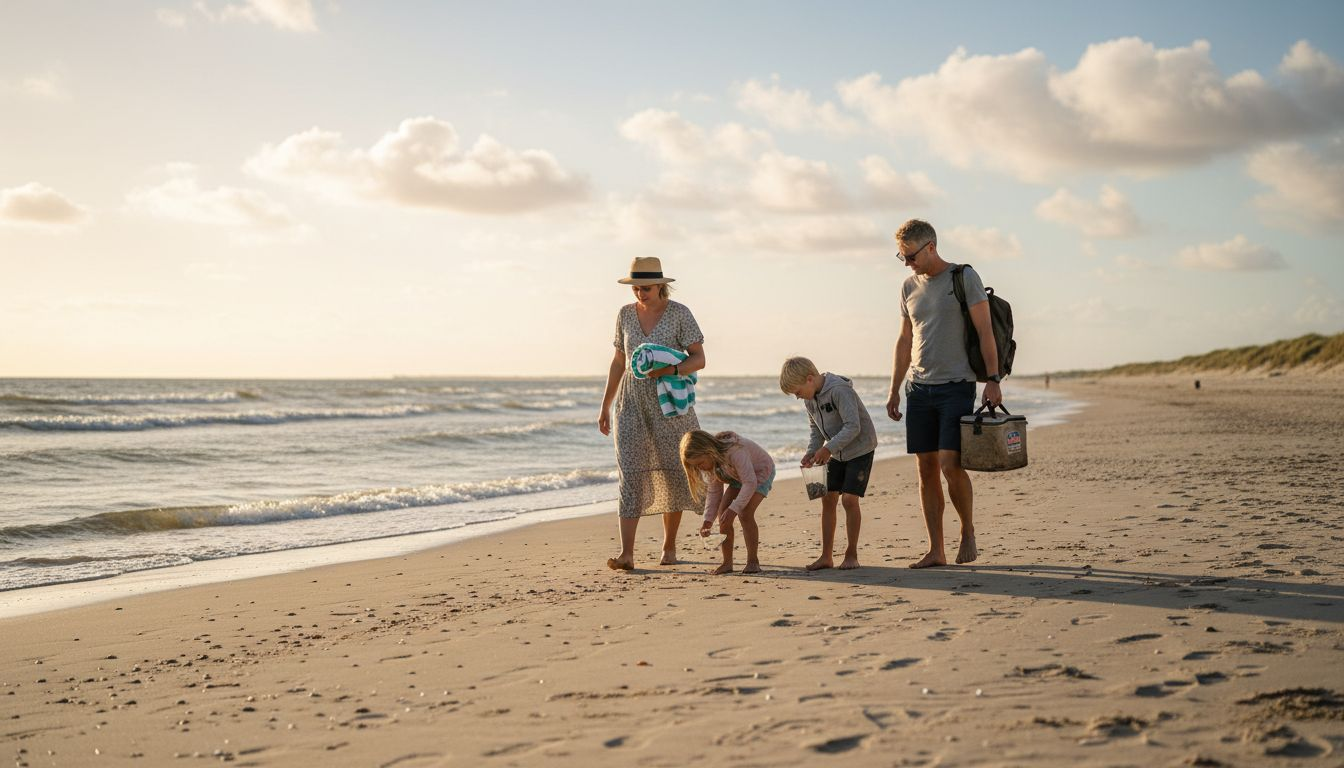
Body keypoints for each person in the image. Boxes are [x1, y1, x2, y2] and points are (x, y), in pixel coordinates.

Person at [885, 219, 1002, 569]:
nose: (907, 263)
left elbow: (985, 332)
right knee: (926, 470)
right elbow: (905, 340)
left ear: (931, 247)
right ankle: (936, 549)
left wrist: (993, 379)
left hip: (956, 385)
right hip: (919, 389)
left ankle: (967, 530)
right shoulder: (907, 286)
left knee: (951, 465)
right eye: (901, 257)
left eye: (910, 256)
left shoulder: (964, 277)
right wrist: (894, 389)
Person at [598, 256, 706, 570]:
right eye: (635, 288)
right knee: (630, 473)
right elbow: (619, 361)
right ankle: (627, 554)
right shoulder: (625, 315)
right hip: (631, 402)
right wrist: (605, 404)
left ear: (661, 285)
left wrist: (670, 368)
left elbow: (698, 359)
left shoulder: (679, 314)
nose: (640, 294)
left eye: (645, 288)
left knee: (675, 471)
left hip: (670, 404)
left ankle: (669, 548)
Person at [779, 356, 878, 571]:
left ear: (809, 379)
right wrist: (811, 453)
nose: (797, 398)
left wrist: (827, 449)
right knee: (828, 499)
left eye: (797, 392)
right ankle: (826, 556)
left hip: (860, 448)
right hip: (836, 452)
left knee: (849, 500)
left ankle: (851, 554)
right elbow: (816, 432)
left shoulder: (840, 391)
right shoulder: (809, 400)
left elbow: (853, 427)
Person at [679, 430, 775, 575]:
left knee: (744, 513)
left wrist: (734, 508)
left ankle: (753, 561)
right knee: (723, 515)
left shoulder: (736, 451)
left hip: (759, 472)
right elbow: (714, 492)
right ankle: (727, 563)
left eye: (700, 463)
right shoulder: (711, 462)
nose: (700, 468)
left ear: (708, 451)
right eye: (696, 466)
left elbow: (749, 482)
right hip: (736, 476)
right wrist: (707, 520)